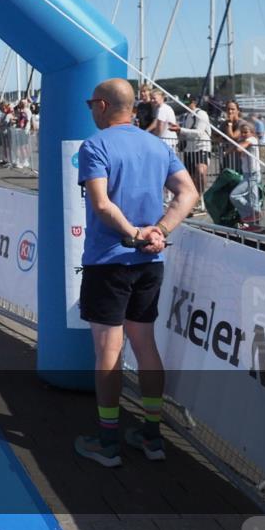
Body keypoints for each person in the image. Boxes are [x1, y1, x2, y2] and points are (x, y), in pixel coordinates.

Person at [74, 78, 198, 468]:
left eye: (91, 103)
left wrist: (135, 234)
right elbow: (189, 193)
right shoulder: (157, 146)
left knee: (109, 352)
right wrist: (158, 232)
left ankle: (108, 441)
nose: (90, 109)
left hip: (111, 261)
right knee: (145, 346)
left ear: (105, 106)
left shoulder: (95, 145)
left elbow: (101, 204)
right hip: (148, 263)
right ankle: (151, 435)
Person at [170, 94, 211, 213]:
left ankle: (200, 197)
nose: (185, 105)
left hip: (201, 147)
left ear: (194, 102)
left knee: (200, 171)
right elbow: (185, 134)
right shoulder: (186, 116)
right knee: (191, 177)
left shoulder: (201, 114)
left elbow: (199, 132)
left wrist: (180, 130)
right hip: (189, 149)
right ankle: (194, 200)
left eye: (188, 102)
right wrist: (179, 135)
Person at [228, 122, 262, 228]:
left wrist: (238, 144)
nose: (243, 134)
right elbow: (234, 148)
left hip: (253, 174)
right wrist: (228, 151)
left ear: (251, 132)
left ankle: (254, 213)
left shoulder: (252, 140)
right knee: (253, 199)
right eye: (242, 132)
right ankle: (252, 223)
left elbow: (239, 148)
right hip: (248, 174)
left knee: (235, 195)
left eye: (245, 132)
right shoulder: (244, 141)